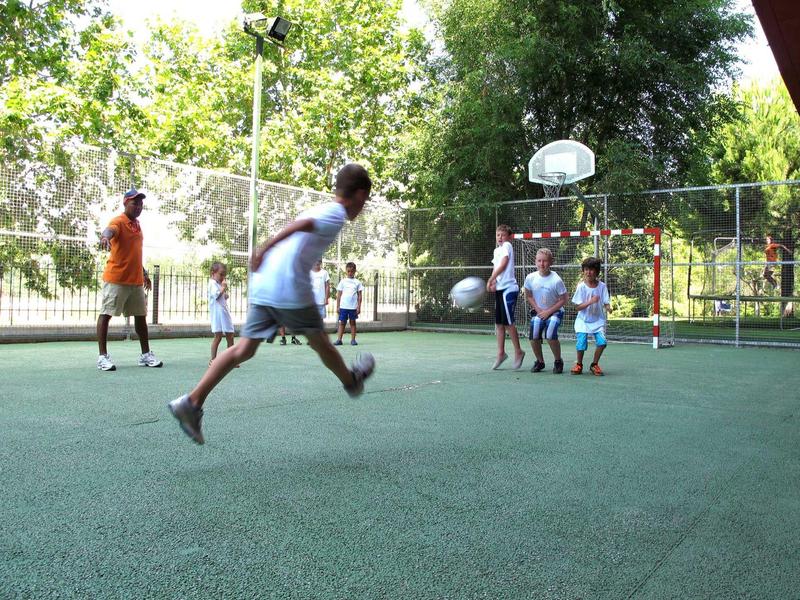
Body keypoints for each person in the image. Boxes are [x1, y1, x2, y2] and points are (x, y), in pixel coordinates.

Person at [168, 164, 375, 444]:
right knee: (321, 343)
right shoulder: (335, 214)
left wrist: (266, 253)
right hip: (289, 286)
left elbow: (301, 229)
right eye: (365, 200)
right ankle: (351, 383)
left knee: (243, 349)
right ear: (360, 194)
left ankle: (191, 403)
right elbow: (301, 226)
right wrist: (264, 247)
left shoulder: (322, 209)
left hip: (265, 284)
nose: (363, 207)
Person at [96, 188, 163, 371]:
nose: (138, 207)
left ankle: (145, 355)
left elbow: (134, 254)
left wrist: (144, 273)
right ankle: (102, 357)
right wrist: (104, 237)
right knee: (106, 314)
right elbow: (110, 230)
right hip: (116, 279)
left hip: (135, 281)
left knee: (141, 317)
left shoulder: (137, 225)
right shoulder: (118, 221)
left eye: (141, 204)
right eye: (135, 203)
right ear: (125, 203)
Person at [523, 247, 568, 374]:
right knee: (534, 334)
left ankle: (558, 361)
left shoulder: (556, 279)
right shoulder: (530, 278)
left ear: (551, 262)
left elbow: (564, 299)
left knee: (550, 335)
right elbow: (529, 295)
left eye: (545, 261)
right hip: (539, 311)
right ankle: (540, 361)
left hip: (555, 311)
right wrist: (538, 310)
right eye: (539, 261)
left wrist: (548, 311)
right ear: (535, 261)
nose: (542, 264)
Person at [487, 224, 525, 370]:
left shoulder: (507, 246)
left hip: (509, 289)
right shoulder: (496, 250)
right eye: (498, 235)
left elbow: (503, 265)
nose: (500, 238)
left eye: (503, 235)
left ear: (509, 237)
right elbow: (495, 267)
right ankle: (501, 353)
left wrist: (491, 278)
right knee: (499, 324)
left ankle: (518, 351)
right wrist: (493, 281)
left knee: (508, 323)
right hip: (500, 289)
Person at [570, 257, 611, 376]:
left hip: (597, 321)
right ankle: (579, 364)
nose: (588, 272)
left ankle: (594, 364)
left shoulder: (602, 286)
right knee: (581, 344)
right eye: (586, 269)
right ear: (583, 271)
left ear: (597, 272)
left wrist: (608, 307)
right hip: (583, 321)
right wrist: (590, 301)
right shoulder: (581, 287)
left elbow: (606, 301)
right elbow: (577, 307)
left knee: (602, 343)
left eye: (591, 270)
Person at [208, 262, 235, 365]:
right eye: (221, 274)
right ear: (213, 273)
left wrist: (225, 294)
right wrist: (223, 288)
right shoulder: (212, 283)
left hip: (223, 312)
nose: (223, 277)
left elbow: (221, 297)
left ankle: (231, 360)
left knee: (230, 335)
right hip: (217, 314)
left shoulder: (218, 284)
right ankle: (213, 360)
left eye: (224, 275)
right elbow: (216, 296)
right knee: (218, 336)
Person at [334, 262, 363, 346]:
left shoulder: (357, 282)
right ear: (346, 271)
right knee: (342, 323)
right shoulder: (343, 282)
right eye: (348, 271)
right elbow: (339, 295)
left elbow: (360, 296)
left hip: (353, 307)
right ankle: (339, 340)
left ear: (355, 271)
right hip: (343, 307)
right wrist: (338, 306)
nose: (350, 273)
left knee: (353, 323)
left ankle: (353, 340)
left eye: (352, 271)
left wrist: (359, 307)